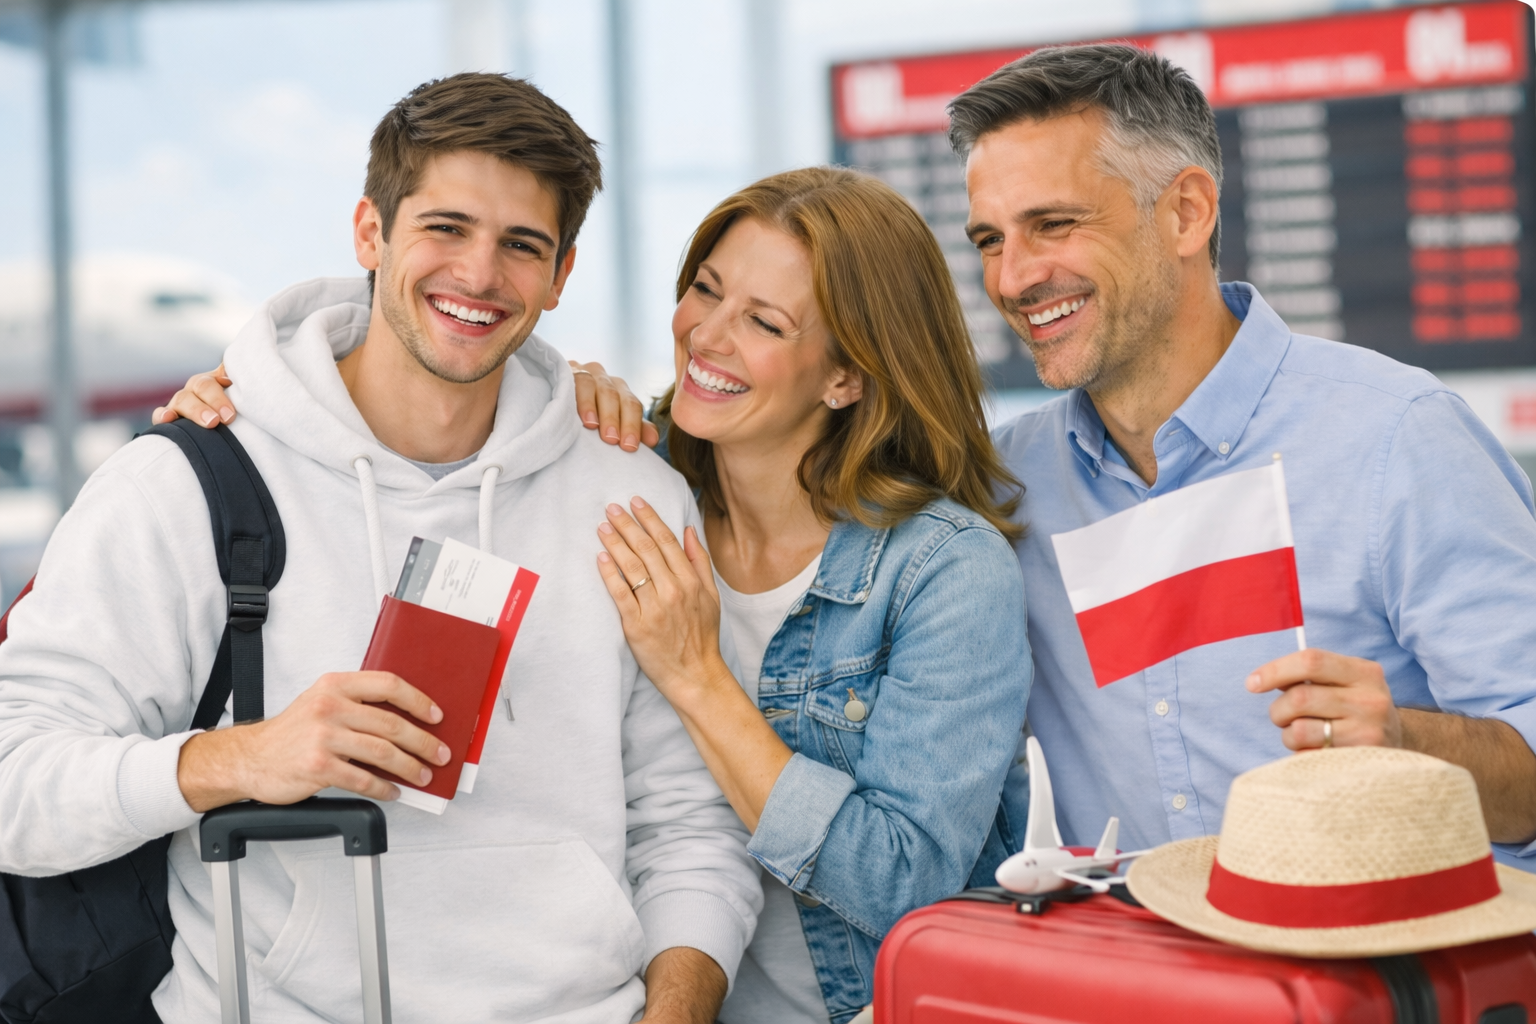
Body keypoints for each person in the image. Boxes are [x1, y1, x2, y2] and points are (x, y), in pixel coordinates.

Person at [160, 166, 1033, 1024]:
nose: (709, 336)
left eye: (764, 321)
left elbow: (905, 883)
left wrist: (696, 676)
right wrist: (262, 403)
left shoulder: (944, 572)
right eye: (705, 290)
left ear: (846, 377)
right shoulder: (628, 480)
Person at [0, 73, 761, 1024]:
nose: (480, 276)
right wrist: (235, 760)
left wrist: (675, 1013)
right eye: (446, 228)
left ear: (561, 276)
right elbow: (13, 784)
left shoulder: (633, 496)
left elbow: (689, 825)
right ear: (371, 231)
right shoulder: (184, 484)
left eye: (521, 245)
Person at [946, 45, 1536, 867]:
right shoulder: (1002, 492)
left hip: (1379, 984)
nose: (1012, 278)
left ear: (1187, 212)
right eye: (988, 240)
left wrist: (1408, 741)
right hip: (1130, 986)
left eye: (1054, 224)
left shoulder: (1398, 437)